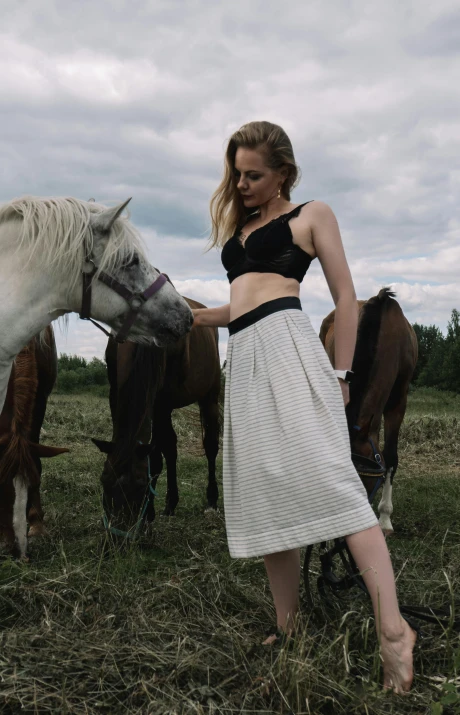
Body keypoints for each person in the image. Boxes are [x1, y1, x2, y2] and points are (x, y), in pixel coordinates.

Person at [192, 121, 415, 693]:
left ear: (283, 174)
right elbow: (241, 305)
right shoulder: (243, 227)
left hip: (289, 350)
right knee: (268, 488)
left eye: (253, 175)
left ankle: (394, 630)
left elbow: (345, 295)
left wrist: (341, 373)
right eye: (236, 174)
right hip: (245, 357)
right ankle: (288, 626)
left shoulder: (312, 215)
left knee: (333, 483)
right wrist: (191, 316)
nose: (241, 184)